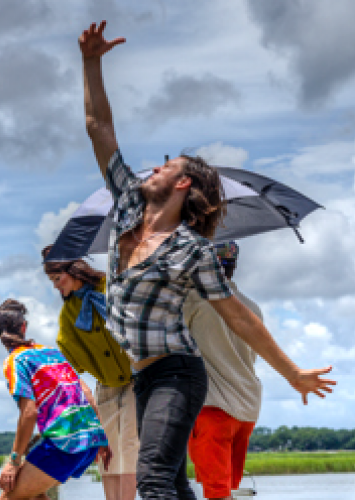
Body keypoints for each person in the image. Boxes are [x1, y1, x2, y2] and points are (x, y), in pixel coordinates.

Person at [78, 20, 336, 500]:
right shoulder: (129, 205)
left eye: (167, 166)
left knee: (153, 479)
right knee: (174, 485)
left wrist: (293, 373)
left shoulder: (192, 251)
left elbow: (238, 316)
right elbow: (99, 129)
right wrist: (91, 63)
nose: (154, 168)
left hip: (177, 373)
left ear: (182, 184)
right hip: (143, 375)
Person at [42, 245, 139, 500]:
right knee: (106, 451)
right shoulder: (69, 314)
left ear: (73, 270)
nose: (56, 286)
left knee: (129, 447)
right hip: (106, 386)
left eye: (57, 278)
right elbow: (68, 360)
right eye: (52, 281)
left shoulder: (112, 287)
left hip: (136, 381)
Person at [0, 298, 111, 500]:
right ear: (23, 327)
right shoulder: (52, 353)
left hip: (64, 444)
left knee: (9, 497)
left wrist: (13, 462)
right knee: (36, 494)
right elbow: (87, 393)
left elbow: (29, 413)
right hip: (90, 440)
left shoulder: (16, 360)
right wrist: (101, 437)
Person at [183, 241, 262, 500]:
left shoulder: (194, 301)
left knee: (217, 492)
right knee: (225, 489)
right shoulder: (252, 307)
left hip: (213, 406)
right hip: (247, 408)